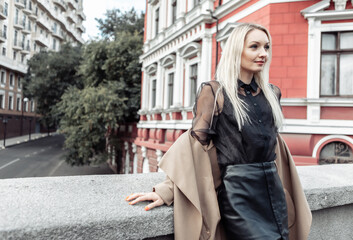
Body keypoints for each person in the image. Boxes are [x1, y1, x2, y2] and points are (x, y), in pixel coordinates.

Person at [126, 23, 311, 240]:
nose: (263, 54)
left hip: (274, 191)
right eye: (254, 46)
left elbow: (274, 147)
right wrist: (166, 190)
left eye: (266, 47)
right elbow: (195, 149)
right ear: (236, 50)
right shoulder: (215, 92)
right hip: (239, 195)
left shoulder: (272, 93)